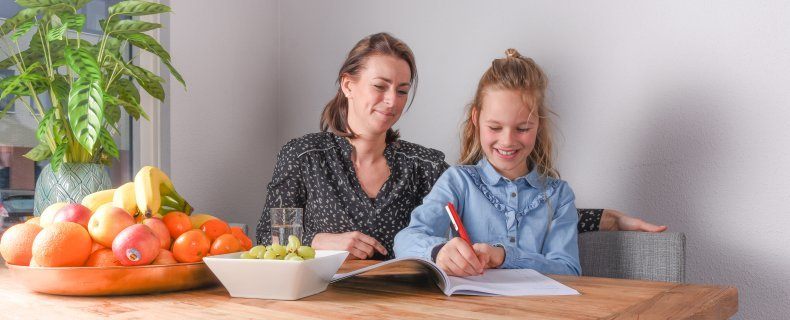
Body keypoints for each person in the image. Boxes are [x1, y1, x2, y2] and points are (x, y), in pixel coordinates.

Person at [255, 33, 664, 261]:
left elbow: (497, 200)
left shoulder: (422, 164)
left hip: (405, 305)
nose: (392, 101)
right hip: (321, 301)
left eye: (402, 90)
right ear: (348, 84)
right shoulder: (303, 156)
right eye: (380, 86)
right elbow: (264, 237)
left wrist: (605, 219)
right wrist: (316, 240)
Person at [394, 49, 583, 276]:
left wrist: (505, 257)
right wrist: (438, 252)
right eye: (495, 127)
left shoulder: (559, 195)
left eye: (522, 128)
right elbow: (405, 240)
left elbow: (569, 271)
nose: (507, 141)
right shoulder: (458, 181)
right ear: (476, 119)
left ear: (538, 125)